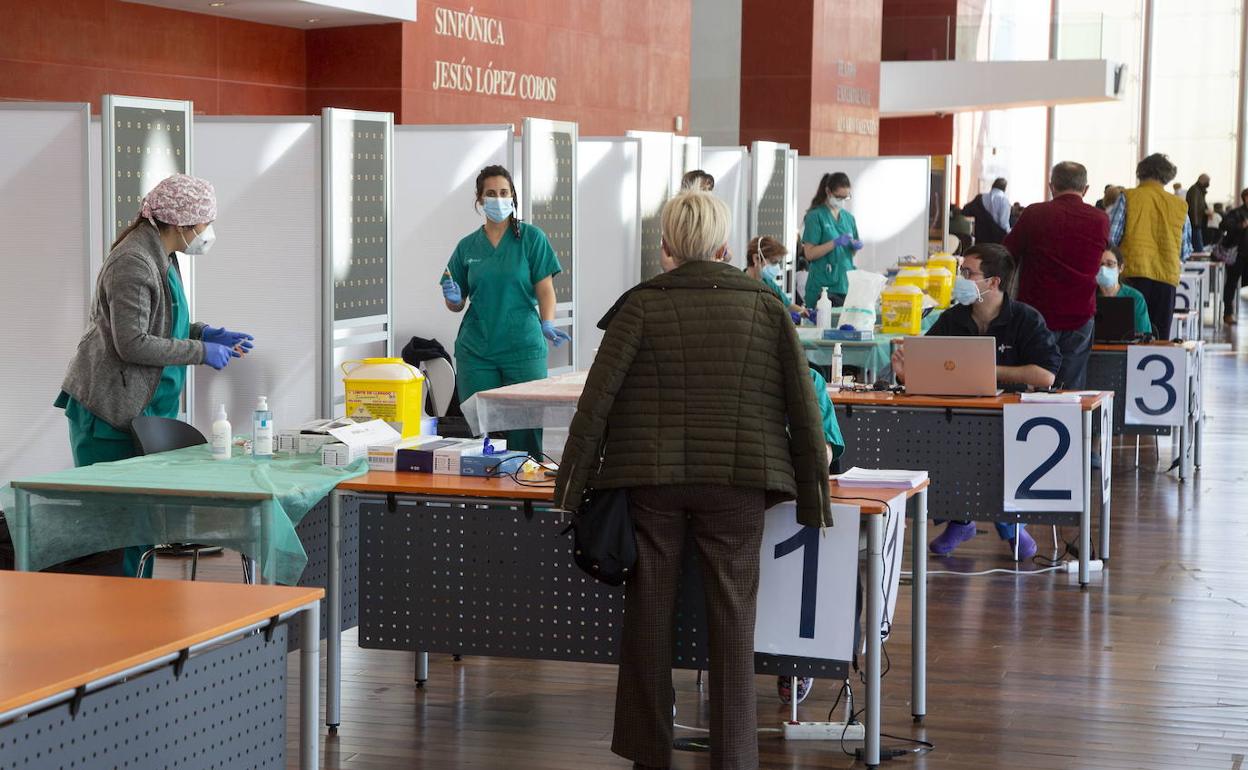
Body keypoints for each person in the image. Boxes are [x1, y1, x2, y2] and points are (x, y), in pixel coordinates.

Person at [554, 191, 830, 770]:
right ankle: (734, 756)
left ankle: (648, 752)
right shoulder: (765, 304)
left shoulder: (639, 306)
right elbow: (804, 406)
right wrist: (814, 498)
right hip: (740, 481)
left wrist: (569, 490)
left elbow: (595, 402)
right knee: (733, 620)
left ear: (666, 248)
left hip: (650, 481)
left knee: (648, 615)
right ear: (726, 248)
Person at [56, 173, 254, 578]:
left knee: (141, 525)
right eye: (204, 224)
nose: (206, 232)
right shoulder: (134, 260)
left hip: (144, 408)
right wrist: (200, 351)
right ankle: (118, 620)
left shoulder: (164, 255)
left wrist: (204, 332)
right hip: (107, 412)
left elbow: (163, 322)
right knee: (116, 528)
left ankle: (138, 612)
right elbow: (132, 343)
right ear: (181, 225)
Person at [891, 243, 1060, 560]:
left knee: (994, 454)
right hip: (956, 416)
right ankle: (961, 519)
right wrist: (904, 374)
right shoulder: (952, 318)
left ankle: (1008, 524)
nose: (961, 279)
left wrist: (991, 370)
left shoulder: (1026, 319)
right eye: (961, 272)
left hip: (1011, 420)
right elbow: (927, 369)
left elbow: (1046, 375)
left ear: (993, 282)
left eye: (968, 273)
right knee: (938, 444)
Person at [440, 165, 567, 457]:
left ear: (513, 197)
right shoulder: (467, 246)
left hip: (522, 346)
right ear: (479, 200)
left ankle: (525, 499)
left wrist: (547, 323)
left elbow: (545, 289)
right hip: (477, 349)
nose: (498, 198)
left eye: (504, 192)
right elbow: (455, 303)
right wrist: (453, 297)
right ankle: (479, 499)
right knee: (480, 433)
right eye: (491, 193)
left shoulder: (531, 239)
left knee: (526, 432)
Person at [1004, 161, 1108, 389]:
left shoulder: (1034, 214)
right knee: (1069, 392)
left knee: (1031, 386)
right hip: (1080, 316)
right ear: (1086, 189)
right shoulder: (1100, 219)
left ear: (1052, 186)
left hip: (1036, 316)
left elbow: (1006, 253)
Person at [1109, 153, 1192, 341]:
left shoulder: (1127, 197)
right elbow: (1185, 251)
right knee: (1159, 337)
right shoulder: (1180, 206)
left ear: (1142, 172)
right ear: (1167, 175)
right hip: (1166, 279)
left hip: (1132, 276)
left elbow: (1111, 238)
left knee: (1129, 335)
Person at [801, 172, 862, 308]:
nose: (841, 200)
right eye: (838, 197)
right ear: (828, 192)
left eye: (845, 197)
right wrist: (835, 243)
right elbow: (809, 254)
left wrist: (854, 246)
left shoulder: (848, 218)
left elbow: (850, 254)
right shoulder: (815, 217)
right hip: (823, 288)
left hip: (844, 284)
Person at [745, 235, 807, 320]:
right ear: (756, 258)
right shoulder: (741, 283)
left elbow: (787, 305)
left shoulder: (768, 283)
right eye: (773, 262)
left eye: (778, 263)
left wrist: (804, 312)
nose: (776, 267)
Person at [1097, 246, 1152, 336]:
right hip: (1093, 349)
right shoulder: (1087, 296)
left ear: (1121, 268)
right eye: (1099, 264)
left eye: (1110, 264)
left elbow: (1144, 336)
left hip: (1127, 349)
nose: (1103, 269)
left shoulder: (1135, 297)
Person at [1216, 187, 1248, 324]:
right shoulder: (1237, 213)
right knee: (1231, 284)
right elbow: (1223, 225)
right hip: (1238, 254)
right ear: (1244, 198)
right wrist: (1240, 225)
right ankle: (1227, 313)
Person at [964, 177, 1011, 244]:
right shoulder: (1004, 200)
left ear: (993, 185)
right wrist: (1009, 233)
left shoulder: (980, 197)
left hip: (980, 236)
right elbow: (1003, 223)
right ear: (1004, 188)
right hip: (996, 238)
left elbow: (966, 211)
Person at [1185, 174, 1212, 252]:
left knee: (1198, 247)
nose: (1208, 183)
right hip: (1195, 224)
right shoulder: (1195, 190)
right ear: (1202, 180)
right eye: (1208, 181)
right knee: (1198, 248)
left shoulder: (1199, 190)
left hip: (1197, 223)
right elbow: (1194, 208)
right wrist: (1196, 223)